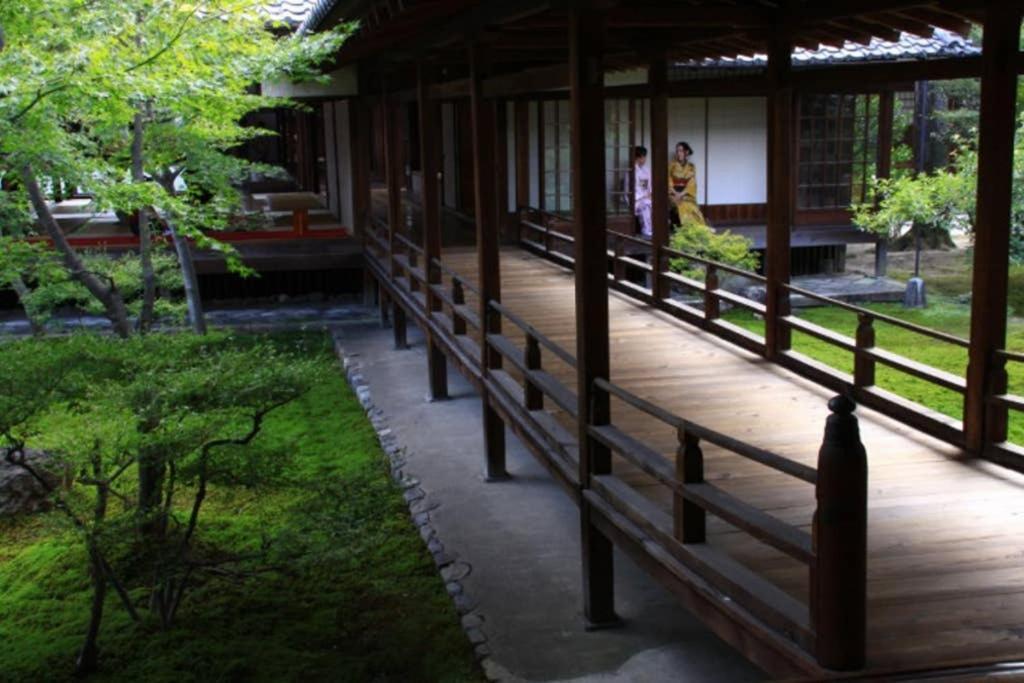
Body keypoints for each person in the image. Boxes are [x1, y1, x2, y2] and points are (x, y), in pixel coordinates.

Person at [668, 141, 705, 226]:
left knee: (691, 206)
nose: (678, 153)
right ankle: (686, 227)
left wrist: (682, 194)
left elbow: (692, 183)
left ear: (686, 152)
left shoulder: (691, 166)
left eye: (681, 151)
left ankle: (697, 228)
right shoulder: (671, 165)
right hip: (673, 192)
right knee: (681, 204)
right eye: (677, 151)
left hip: (686, 193)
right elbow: (668, 180)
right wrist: (675, 193)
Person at [633, 145, 652, 238]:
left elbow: (649, 185)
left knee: (653, 203)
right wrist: (644, 196)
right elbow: (634, 188)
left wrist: (650, 194)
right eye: (643, 157)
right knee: (645, 205)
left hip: (645, 196)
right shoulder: (631, 170)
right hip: (635, 199)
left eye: (645, 157)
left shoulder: (646, 170)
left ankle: (654, 229)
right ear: (638, 157)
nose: (645, 159)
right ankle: (646, 230)